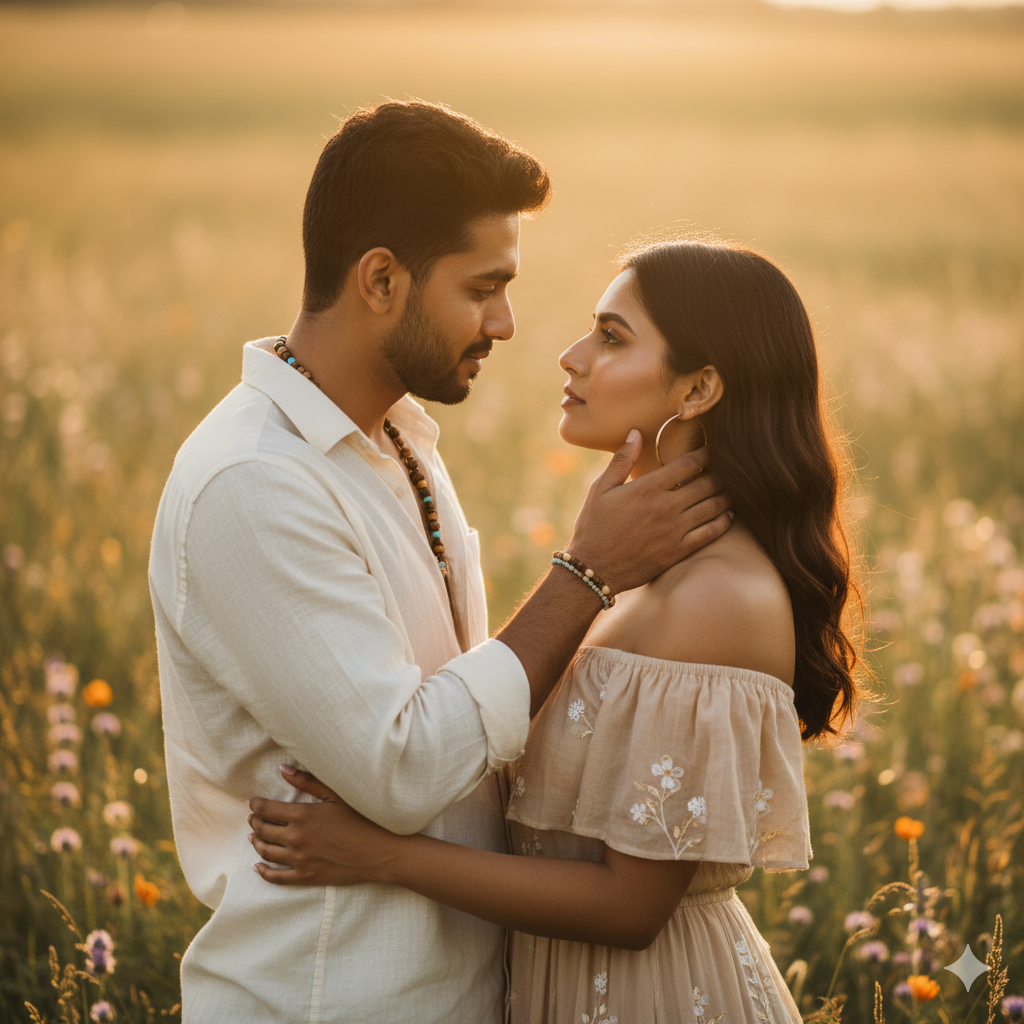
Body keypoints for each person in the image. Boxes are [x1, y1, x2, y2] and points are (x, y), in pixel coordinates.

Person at [149, 101, 732, 1024]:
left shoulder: (400, 438)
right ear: (381, 278)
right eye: (481, 288)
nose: (505, 324)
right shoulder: (254, 484)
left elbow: (466, 730)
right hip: (329, 998)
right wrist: (584, 577)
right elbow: (405, 766)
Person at [246, 238, 873, 1023]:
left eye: (612, 337)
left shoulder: (718, 595)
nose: (571, 357)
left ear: (702, 386)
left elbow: (630, 906)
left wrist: (382, 855)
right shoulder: (642, 568)